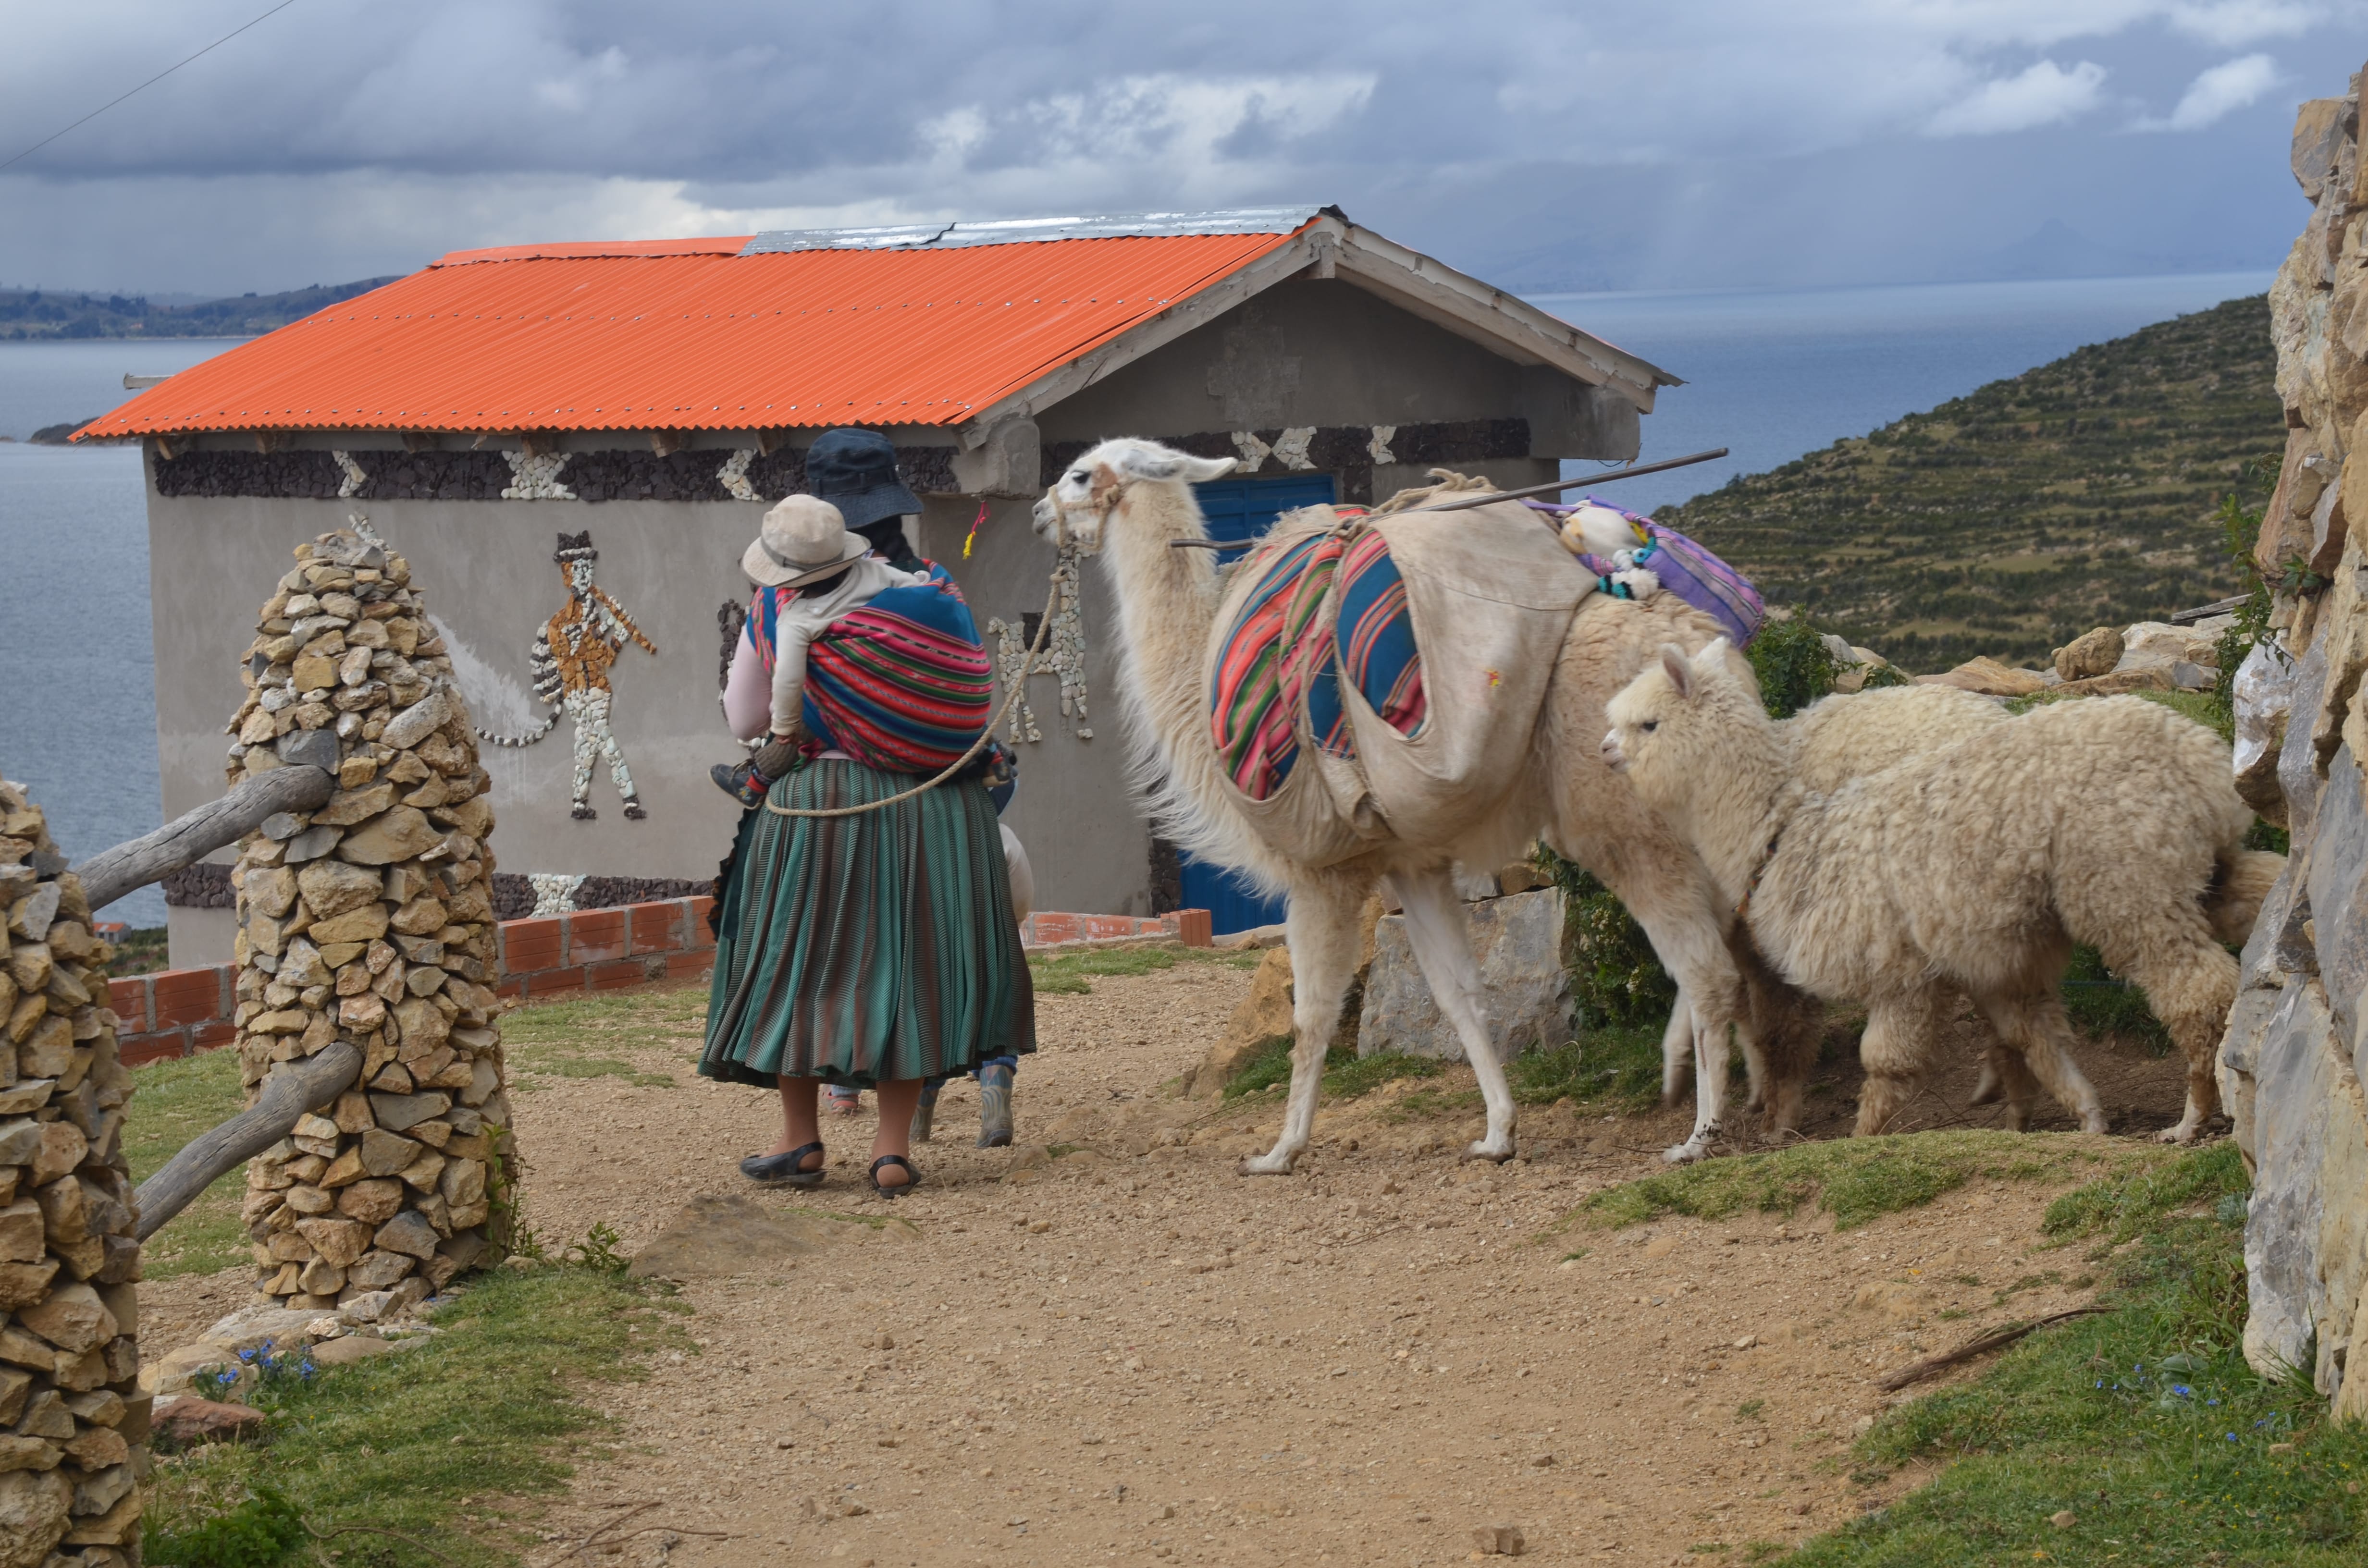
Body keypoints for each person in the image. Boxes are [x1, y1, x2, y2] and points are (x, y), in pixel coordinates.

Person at [699, 428, 1035, 1194]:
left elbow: (746, 718)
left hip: (819, 803)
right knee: (908, 967)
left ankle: (800, 1140)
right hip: (933, 807)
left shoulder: (779, 603)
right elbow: (964, 695)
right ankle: (891, 1151)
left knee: (795, 964)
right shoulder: (937, 591)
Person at [709, 495, 926, 808]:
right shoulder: (879, 574)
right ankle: (988, 755)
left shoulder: (794, 620)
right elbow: (916, 590)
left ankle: (755, 781)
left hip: (850, 718)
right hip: (912, 702)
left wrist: (784, 726)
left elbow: (787, 682)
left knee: (808, 717)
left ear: (785, 578)